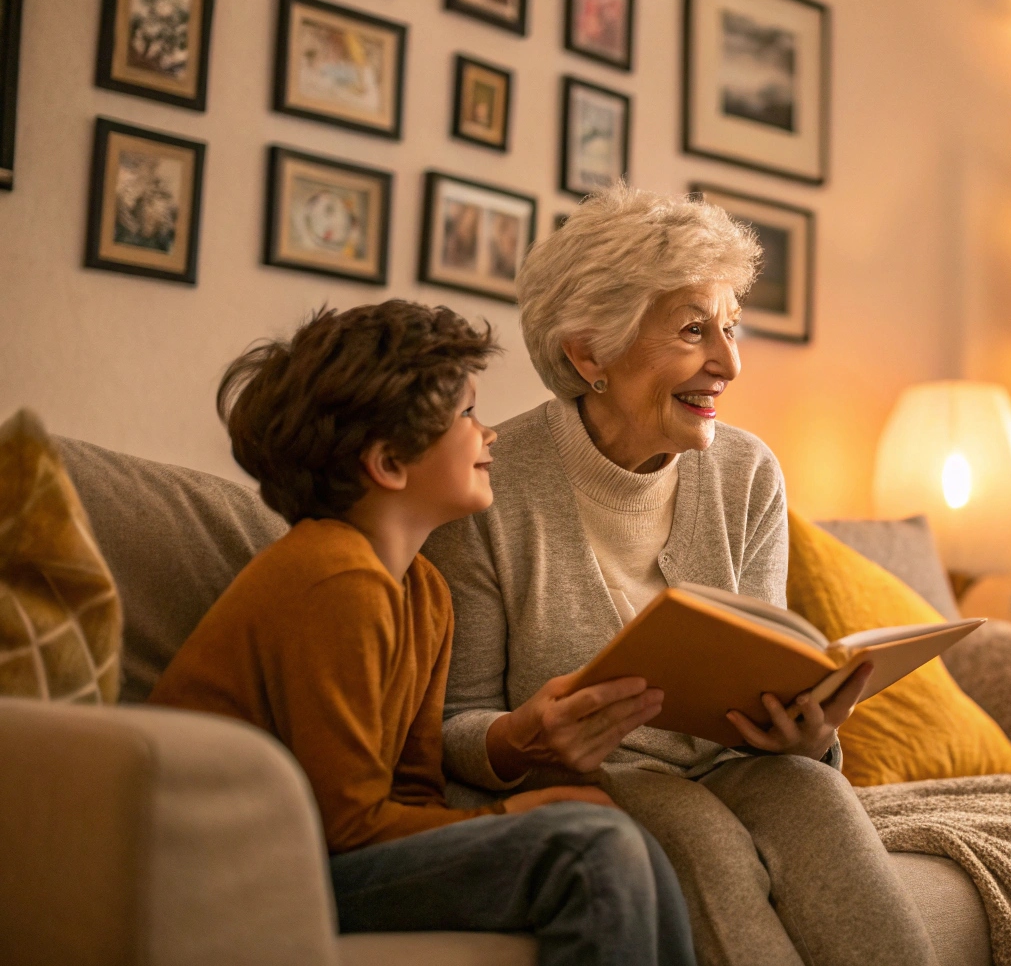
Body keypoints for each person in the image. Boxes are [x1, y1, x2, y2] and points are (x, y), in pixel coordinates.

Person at [423, 184, 937, 966]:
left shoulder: (748, 472)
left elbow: (766, 662)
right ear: (588, 351)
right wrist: (521, 737)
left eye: (730, 329)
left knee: (818, 794)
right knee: (700, 839)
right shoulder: (488, 483)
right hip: (587, 782)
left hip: (737, 764)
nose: (728, 363)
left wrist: (807, 733)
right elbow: (455, 725)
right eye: (694, 330)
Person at [149, 301, 696, 966]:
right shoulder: (332, 577)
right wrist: (513, 819)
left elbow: (411, 796)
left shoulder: (425, 592)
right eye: (466, 413)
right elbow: (347, 826)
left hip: (322, 855)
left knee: (619, 834)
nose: (488, 433)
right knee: (589, 847)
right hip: (230, 869)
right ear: (388, 463)